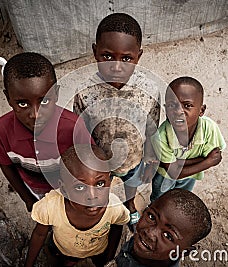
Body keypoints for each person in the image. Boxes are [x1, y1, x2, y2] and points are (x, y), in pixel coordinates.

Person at [73, 13, 161, 229]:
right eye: (107, 56)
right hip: (101, 161)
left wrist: (150, 157)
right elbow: (80, 132)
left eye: (127, 58)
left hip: (133, 158)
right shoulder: (85, 92)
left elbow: (152, 127)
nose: (117, 66)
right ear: (95, 51)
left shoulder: (149, 90)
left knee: (131, 185)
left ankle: (130, 205)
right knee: (102, 190)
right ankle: (104, 214)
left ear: (138, 56)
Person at [0, 52, 93, 212]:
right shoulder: (1, 130)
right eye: (23, 104)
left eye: (44, 101)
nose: (36, 114)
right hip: (36, 190)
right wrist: (28, 198)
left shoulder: (74, 128)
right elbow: (6, 165)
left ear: (56, 94)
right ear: (8, 98)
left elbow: (89, 165)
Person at [25, 144, 130, 267]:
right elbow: (39, 234)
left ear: (110, 182)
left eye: (100, 184)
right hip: (61, 250)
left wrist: (109, 257)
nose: (92, 196)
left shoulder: (115, 208)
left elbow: (117, 227)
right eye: (79, 187)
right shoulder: (51, 206)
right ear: (64, 190)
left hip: (97, 251)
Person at [150, 76, 226, 202]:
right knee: (160, 201)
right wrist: (206, 162)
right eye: (172, 105)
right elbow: (173, 173)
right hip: (165, 177)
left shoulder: (209, 128)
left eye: (187, 105)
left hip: (191, 175)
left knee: (181, 198)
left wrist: (175, 163)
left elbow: (216, 157)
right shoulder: (160, 137)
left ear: (201, 110)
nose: (179, 111)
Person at [116, 188, 212, 267]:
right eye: (151, 217)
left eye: (168, 236)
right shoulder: (143, 244)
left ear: (182, 252)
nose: (150, 233)